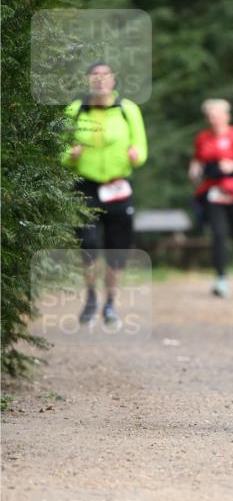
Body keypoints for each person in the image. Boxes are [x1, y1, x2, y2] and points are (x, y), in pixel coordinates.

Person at [63, 61, 148, 325]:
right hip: (85, 185)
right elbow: (60, 151)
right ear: (88, 80)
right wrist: (71, 154)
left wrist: (135, 156)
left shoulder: (127, 110)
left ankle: (110, 304)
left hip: (118, 186)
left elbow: (142, 150)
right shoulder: (75, 110)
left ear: (114, 80)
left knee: (117, 249)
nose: (100, 80)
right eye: (95, 76)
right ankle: (90, 298)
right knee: (87, 244)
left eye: (105, 75)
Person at [189, 99, 233, 297]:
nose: (212, 118)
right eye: (209, 114)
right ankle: (221, 279)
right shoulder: (203, 137)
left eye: (216, 114)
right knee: (218, 235)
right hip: (213, 193)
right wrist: (194, 171)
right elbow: (197, 160)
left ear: (226, 116)